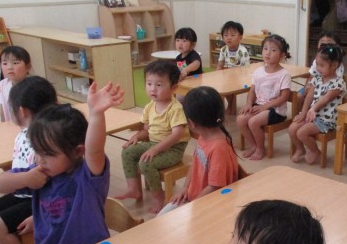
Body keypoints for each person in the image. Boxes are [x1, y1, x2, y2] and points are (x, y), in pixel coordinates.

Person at [0, 82, 124, 244]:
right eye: (37, 151)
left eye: (48, 153)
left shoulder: (86, 176)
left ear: (77, 151)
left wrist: (96, 113)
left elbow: (94, 150)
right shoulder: (39, 175)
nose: (40, 159)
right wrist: (25, 178)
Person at [0, 76, 57, 244]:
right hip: (22, 191)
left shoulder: (46, 138)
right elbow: (15, 170)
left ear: (22, 111)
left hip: (37, 197)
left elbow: (44, 181)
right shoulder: (23, 133)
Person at [115, 60, 189, 213]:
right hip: (154, 144)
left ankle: (158, 196)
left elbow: (178, 134)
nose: (153, 89)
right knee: (127, 151)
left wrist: (155, 150)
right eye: (149, 84)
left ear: (173, 88)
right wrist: (137, 136)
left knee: (145, 163)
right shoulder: (150, 106)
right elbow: (146, 130)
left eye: (159, 85)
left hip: (173, 150)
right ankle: (133, 189)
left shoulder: (175, 108)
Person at [158, 86, 238, 216]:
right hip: (195, 198)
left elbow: (215, 187)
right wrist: (185, 188)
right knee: (161, 218)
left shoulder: (219, 148)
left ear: (192, 123)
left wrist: (193, 205)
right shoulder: (204, 136)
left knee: (166, 220)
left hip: (210, 207)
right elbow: (195, 163)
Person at [236, 34, 291, 161]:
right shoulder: (258, 71)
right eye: (265, 48)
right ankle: (254, 146)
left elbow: (284, 97)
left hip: (276, 110)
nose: (268, 52)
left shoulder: (284, 74)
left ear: (282, 56)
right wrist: (249, 104)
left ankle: (261, 149)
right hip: (259, 106)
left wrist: (264, 107)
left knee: (253, 122)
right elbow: (252, 91)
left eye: (273, 50)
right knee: (240, 120)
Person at [289, 44, 346, 165]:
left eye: (322, 65)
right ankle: (300, 149)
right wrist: (304, 112)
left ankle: (315, 151)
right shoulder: (316, 79)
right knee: (292, 129)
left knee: (301, 132)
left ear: (334, 65)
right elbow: (309, 96)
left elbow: (326, 98)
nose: (318, 68)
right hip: (311, 115)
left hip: (326, 121)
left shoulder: (338, 83)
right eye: (317, 64)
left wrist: (313, 109)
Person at [296, 31, 344, 112]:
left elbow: (335, 82)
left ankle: (308, 113)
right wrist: (306, 87)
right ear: (318, 46)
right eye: (322, 44)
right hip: (314, 86)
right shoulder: (317, 60)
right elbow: (311, 75)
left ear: (337, 46)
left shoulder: (337, 64)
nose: (325, 47)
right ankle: (300, 114)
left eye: (329, 44)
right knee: (299, 96)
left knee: (313, 99)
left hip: (326, 90)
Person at [0, 46, 32, 122]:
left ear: (28, 67)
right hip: (10, 125)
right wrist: (3, 124)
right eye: (5, 63)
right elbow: (3, 108)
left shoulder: (33, 86)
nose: (9, 67)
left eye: (15, 63)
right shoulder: (3, 84)